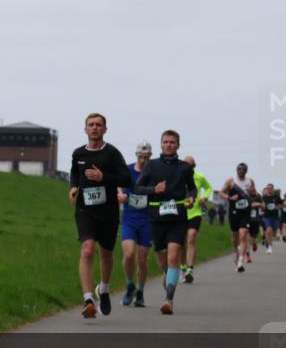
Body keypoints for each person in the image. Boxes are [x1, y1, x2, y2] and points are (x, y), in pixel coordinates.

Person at [69, 113, 132, 318]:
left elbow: (126, 179)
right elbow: (74, 175)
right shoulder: (78, 154)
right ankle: (88, 299)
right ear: (85, 129)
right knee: (87, 250)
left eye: (98, 125)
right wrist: (73, 188)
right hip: (85, 210)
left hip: (108, 212)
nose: (94, 128)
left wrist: (103, 177)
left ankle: (103, 289)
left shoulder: (112, 153)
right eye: (91, 125)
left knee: (106, 254)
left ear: (105, 129)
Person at [132, 130, 196, 314]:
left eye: (172, 142)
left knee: (174, 255)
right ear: (161, 145)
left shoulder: (185, 167)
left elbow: (192, 189)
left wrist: (191, 198)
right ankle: (169, 276)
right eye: (166, 142)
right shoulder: (151, 166)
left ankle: (169, 299)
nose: (169, 145)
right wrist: (154, 189)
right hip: (157, 217)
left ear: (178, 145)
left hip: (178, 217)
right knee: (161, 257)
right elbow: (137, 188)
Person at [117, 141, 153, 307]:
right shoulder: (128, 170)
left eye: (146, 157)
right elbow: (119, 185)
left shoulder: (153, 173)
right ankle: (130, 284)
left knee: (142, 258)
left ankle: (140, 292)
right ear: (136, 155)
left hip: (147, 219)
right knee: (129, 254)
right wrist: (120, 194)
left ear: (150, 157)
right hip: (130, 218)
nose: (143, 160)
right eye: (141, 156)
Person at [220, 163, 257, 273]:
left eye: (243, 171)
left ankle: (241, 261)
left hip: (245, 211)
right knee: (235, 236)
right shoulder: (231, 181)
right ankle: (236, 253)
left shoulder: (250, 181)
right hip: (234, 211)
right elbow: (221, 192)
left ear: (246, 171)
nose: (241, 172)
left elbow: (254, 193)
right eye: (239, 170)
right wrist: (229, 197)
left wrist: (252, 192)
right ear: (237, 171)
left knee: (243, 234)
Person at [180, 155, 211, 284]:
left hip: (195, 212)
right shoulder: (178, 176)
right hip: (181, 212)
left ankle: (190, 270)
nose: (187, 168)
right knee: (181, 243)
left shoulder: (199, 177)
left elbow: (208, 187)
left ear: (194, 166)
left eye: (190, 166)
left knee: (191, 238)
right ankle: (183, 268)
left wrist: (205, 197)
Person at [261, 184, 283, 254]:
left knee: (274, 233)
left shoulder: (277, 197)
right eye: (268, 188)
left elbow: (282, 204)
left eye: (270, 188)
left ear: (273, 189)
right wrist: (262, 206)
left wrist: (278, 207)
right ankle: (269, 247)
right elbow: (261, 206)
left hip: (275, 216)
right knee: (268, 230)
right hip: (267, 216)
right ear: (266, 189)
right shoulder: (264, 197)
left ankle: (268, 241)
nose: (269, 189)